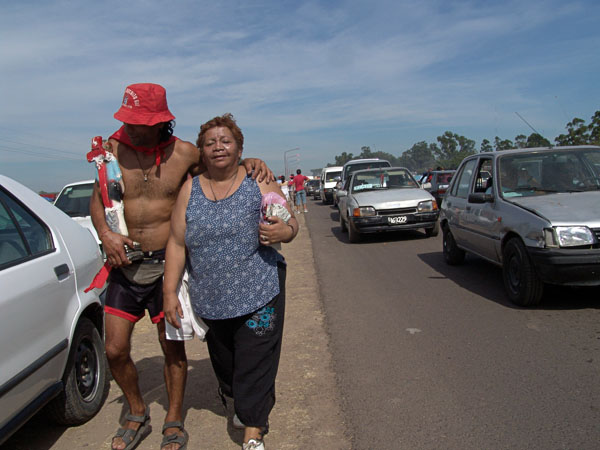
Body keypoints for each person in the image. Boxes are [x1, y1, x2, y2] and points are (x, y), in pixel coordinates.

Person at [91, 83, 273, 450]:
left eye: (139, 122)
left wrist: (252, 161)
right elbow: (99, 199)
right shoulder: (111, 153)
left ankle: (174, 419)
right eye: (127, 119)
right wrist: (104, 234)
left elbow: (223, 162)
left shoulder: (186, 153)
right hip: (125, 265)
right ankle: (137, 411)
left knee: (171, 347)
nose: (131, 127)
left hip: (164, 265)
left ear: (161, 123)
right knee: (114, 349)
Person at [163, 113, 298, 450]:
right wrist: (169, 292)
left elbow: (289, 222)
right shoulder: (189, 190)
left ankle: (254, 428)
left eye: (226, 141)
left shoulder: (259, 179)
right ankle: (236, 397)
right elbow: (177, 243)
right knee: (226, 366)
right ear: (202, 152)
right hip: (212, 298)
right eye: (210, 143)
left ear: (239, 148)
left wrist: (285, 230)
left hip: (260, 288)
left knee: (257, 358)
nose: (218, 147)